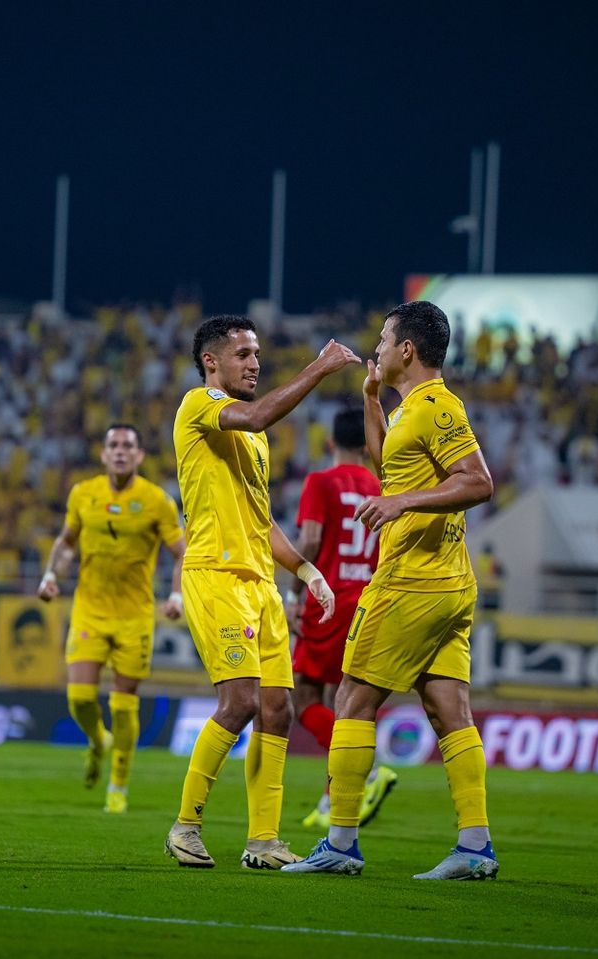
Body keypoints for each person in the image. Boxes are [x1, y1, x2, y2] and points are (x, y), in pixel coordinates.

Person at [283, 300, 499, 880]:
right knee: (449, 707)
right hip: (450, 582)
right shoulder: (407, 411)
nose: (375, 349)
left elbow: (478, 481)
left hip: (413, 579)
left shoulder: (436, 406)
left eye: (383, 341)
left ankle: (341, 843)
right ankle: (475, 847)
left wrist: (401, 504)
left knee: (352, 698)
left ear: (408, 349)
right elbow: (389, 468)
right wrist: (371, 398)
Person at [164, 314, 361, 870]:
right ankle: (186, 826)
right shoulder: (198, 404)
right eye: (244, 354)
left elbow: (262, 519)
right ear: (212, 362)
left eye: (257, 354)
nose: (254, 363)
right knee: (241, 702)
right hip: (216, 576)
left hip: (261, 584)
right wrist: (320, 367)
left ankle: (263, 841)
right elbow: (256, 411)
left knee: (279, 711)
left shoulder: (253, 441)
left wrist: (305, 571)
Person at [37, 424, 186, 814]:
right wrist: (52, 575)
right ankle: (98, 740)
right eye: (113, 445)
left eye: (128, 446)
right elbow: (66, 542)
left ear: (138, 456)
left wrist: (177, 595)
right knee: (80, 697)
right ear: (103, 454)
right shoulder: (83, 494)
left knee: (124, 704)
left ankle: (117, 785)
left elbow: (182, 552)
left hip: (135, 616)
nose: (120, 451)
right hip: (90, 608)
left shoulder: (156, 501)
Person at [286, 407, 397, 831]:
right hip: (369, 600)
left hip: (328, 600)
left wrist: (295, 592)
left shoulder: (319, 482)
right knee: (344, 704)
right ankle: (334, 801)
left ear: (330, 443)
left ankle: (367, 769)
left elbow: (311, 539)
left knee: (305, 699)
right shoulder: (381, 486)